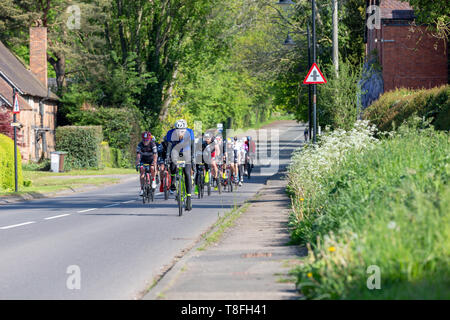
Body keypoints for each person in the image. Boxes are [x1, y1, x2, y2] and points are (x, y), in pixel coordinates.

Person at [164, 119, 195, 211]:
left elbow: (193, 145)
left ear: (185, 129)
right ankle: (173, 179)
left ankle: (189, 198)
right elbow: (169, 146)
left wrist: (193, 157)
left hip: (187, 151)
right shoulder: (170, 133)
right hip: (175, 151)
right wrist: (167, 156)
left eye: (182, 130)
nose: (180, 132)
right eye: (178, 130)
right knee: (172, 164)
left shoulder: (190, 132)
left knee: (187, 173)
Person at [136, 131, 158, 196]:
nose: (145, 141)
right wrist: (137, 163)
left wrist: (154, 162)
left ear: (150, 139)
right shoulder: (140, 144)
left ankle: (153, 180)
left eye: (147, 140)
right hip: (143, 159)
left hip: (151, 159)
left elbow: (155, 155)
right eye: (144, 140)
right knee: (142, 172)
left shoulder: (152, 144)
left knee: (152, 168)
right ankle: (142, 189)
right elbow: (138, 155)